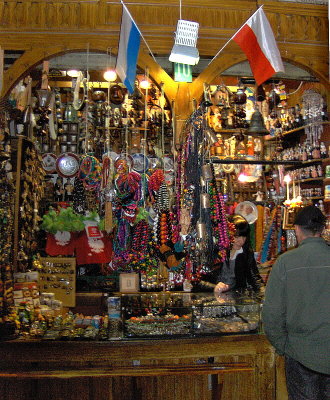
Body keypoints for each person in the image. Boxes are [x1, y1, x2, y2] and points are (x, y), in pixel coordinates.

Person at [262, 205, 330, 400]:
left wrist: (284, 346)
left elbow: (272, 313)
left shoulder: (285, 262)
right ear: (322, 229)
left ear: (297, 229)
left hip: (301, 353)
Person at [212, 214, 263, 293]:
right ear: (228, 235)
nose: (241, 241)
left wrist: (263, 293)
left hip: (236, 298)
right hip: (212, 298)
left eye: (244, 237)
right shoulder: (215, 252)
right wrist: (214, 287)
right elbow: (199, 281)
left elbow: (254, 277)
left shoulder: (246, 252)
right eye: (237, 237)